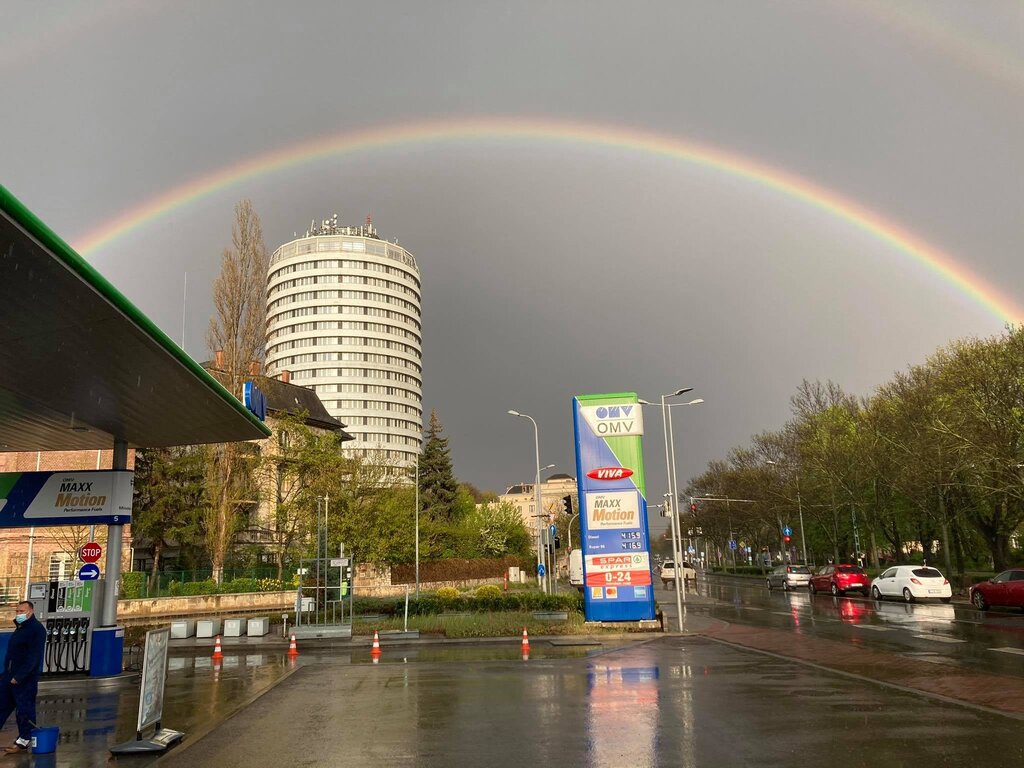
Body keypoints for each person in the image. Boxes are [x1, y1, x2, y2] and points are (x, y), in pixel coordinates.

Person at [1, 600, 47, 754]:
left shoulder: (36, 630)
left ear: (30, 612)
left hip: (24, 679)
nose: (18, 614)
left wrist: (19, 676)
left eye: (21, 611)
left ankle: (24, 740)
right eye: (17, 611)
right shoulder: (21, 628)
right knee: (2, 706)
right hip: (9, 675)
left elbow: (33, 657)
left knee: (24, 710)